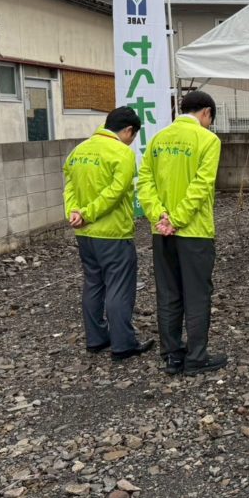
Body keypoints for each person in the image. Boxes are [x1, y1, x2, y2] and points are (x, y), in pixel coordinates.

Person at [137, 91, 226, 376]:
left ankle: (172, 355)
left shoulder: (158, 139)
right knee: (197, 294)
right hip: (194, 231)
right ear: (206, 113)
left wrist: (159, 216)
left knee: (168, 292)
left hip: (161, 231)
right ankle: (197, 356)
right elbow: (202, 185)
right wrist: (178, 218)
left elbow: (145, 181)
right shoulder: (208, 140)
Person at [63, 107, 154, 361]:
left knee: (93, 283)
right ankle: (123, 344)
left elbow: (69, 185)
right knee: (119, 287)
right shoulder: (122, 153)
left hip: (84, 234)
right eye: (133, 136)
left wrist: (74, 212)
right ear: (127, 130)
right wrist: (90, 213)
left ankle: (96, 339)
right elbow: (115, 193)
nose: (131, 141)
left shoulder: (78, 150)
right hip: (113, 233)